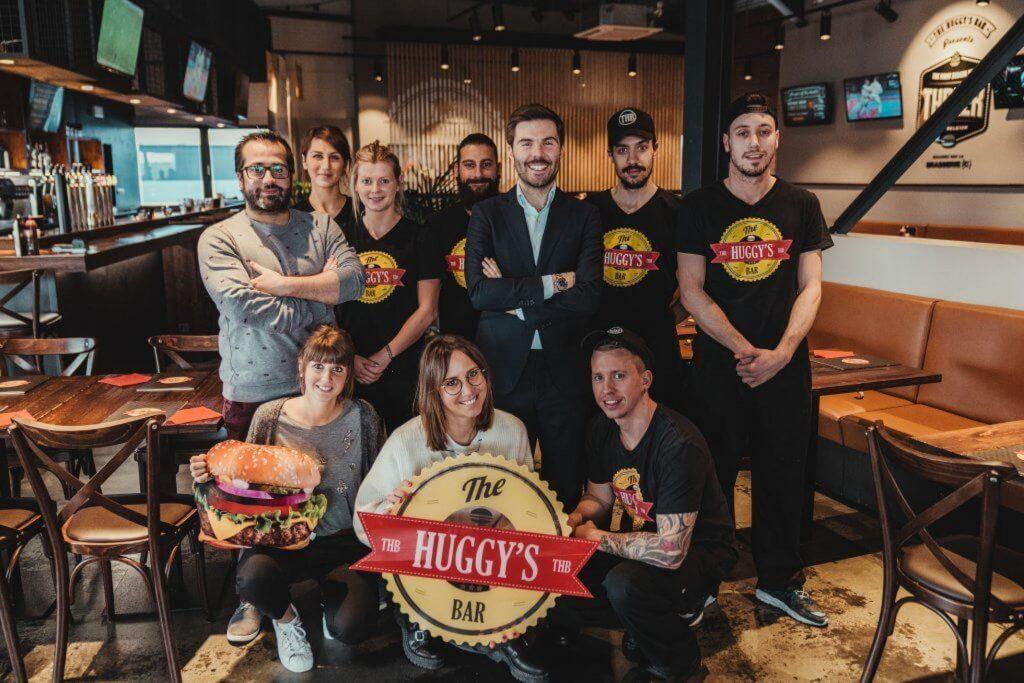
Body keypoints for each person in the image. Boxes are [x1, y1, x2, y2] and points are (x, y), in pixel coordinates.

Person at [676, 92, 833, 627]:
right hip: (720, 365)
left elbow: (812, 287)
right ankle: (703, 583)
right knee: (712, 478)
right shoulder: (699, 205)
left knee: (783, 477)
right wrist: (745, 350)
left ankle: (779, 583)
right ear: (726, 142)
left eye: (764, 131)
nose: (754, 142)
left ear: (777, 138)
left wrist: (782, 353)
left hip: (785, 366)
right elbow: (691, 289)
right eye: (743, 132)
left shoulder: (802, 203)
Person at [189, 325, 386, 673]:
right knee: (253, 580)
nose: (326, 378)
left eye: (337, 369)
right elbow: (242, 482)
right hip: (278, 542)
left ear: (347, 376)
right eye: (318, 366)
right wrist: (207, 472)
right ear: (302, 367)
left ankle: (331, 604)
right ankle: (286, 620)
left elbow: (380, 483)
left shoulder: (364, 416)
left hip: (342, 543)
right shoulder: (269, 416)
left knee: (352, 628)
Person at [353, 334, 548, 682]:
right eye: (452, 383)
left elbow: (526, 507)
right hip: (427, 557)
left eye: (474, 375)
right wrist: (394, 508)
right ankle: (416, 619)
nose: (468, 389)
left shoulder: (512, 430)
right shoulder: (406, 440)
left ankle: (502, 634)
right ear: (434, 392)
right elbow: (363, 521)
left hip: (486, 553)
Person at [553, 328, 737, 681]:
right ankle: (643, 625)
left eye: (619, 376)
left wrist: (596, 538)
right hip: (634, 540)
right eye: (598, 377)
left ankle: (679, 661)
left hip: (696, 552)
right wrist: (573, 519)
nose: (607, 390)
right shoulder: (601, 428)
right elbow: (599, 497)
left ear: (645, 380)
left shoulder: (678, 444)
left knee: (625, 586)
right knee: (559, 572)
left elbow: (671, 551)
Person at [465, 103, 602, 512]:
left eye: (547, 142)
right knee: (502, 492)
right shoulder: (487, 214)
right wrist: (554, 283)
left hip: (566, 374)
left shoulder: (585, 215)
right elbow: (479, 293)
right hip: (503, 371)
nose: (537, 153)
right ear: (511, 151)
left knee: (565, 491)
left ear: (561, 149)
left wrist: (512, 298)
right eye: (526, 143)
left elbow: (589, 296)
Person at [198, 130, 364, 440]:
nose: (268, 179)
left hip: (323, 386)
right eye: (256, 169)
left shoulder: (322, 226)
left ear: (291, 175)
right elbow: (246, 309)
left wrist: (282, 286)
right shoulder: (220, 238)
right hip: (252, 394)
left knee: (327, 472)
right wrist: (323, 295)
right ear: (240, 178)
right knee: (252, 474)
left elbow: (355, 282)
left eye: (278, 169)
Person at [586, 108, 686, 413]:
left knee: (660, 431)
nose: (632, 160)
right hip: (600, 349)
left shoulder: (677, 212)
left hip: (657, 351)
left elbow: (696, 283)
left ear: (656, 149)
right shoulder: (590, 211)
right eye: (622, 150)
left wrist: (665, 319)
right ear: (610, 154)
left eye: (641, 148)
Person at [336, 141, 441, 432]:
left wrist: (384, 357)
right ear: (355, 185)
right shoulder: (340, 236)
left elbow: (427, 311)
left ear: (398, 183)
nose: (375, 189)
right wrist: (350, 357)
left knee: (405, 451)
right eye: (367, 181)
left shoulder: (420, 237)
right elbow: (326, 306)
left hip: (404, 367)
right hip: (350, 366)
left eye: (384, 180)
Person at [426, 133, 501, 341]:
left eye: (486, 165)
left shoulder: (517, 219)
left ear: (498, 169)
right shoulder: (437, 224)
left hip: (507, 340)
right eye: (469, 165)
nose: (478, 174)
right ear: (457, 170)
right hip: (455, 341)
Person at [293, 125, 354, 229]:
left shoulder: (362, 212)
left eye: (334, 157)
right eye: (318, 156)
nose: (326, 166)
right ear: (304, 161)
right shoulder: (292, 218)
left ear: (345, 165)